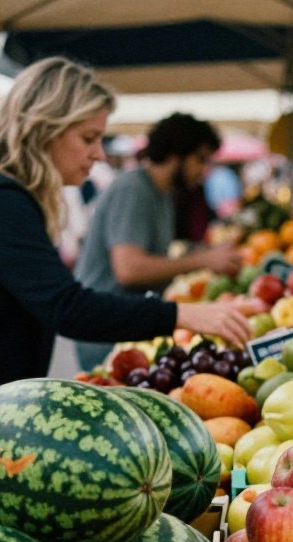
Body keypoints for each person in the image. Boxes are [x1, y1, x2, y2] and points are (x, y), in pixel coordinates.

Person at [0, 59, 249, 491]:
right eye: (89, 138)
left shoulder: (3, 195)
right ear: (43, 129)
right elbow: (66, 307)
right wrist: (182, 314)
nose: (99, 153)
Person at [73, 112, 242, 371]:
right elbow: (129, 269)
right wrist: (202, 260)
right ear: (176, 154)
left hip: (130, 323)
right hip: (107, 333)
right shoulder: (133, 190)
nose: (204, 170)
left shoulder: (161, 193)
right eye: (200, 159)